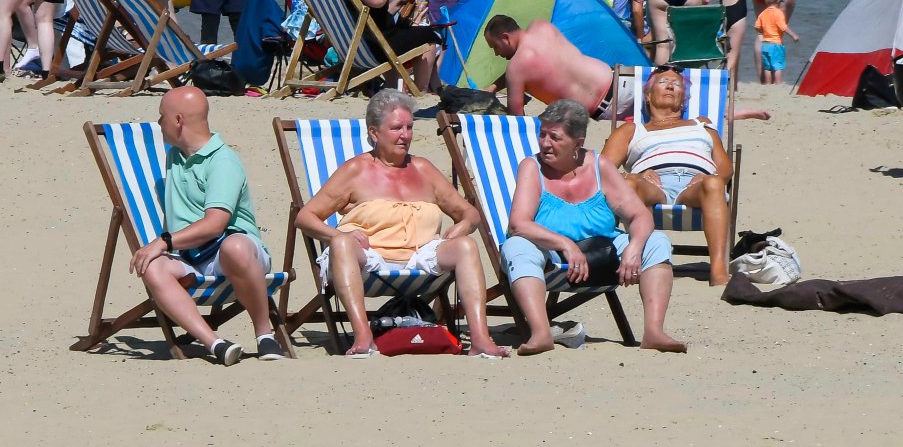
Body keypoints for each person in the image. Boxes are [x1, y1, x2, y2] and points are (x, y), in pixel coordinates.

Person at [295, 90, 510, 358]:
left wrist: (462, 227)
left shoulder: (423, 169)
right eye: (396, 128)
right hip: (369, 257)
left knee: (466, 246)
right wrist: (338, 234)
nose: (405, 135)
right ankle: (363, 338)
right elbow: (304, 217)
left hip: (420, 256)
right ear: (374, 133)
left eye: (409, 127)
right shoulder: (355, 171)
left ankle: (480, 340)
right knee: (340, 243)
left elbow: (470, 213)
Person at [504, 99, 686, 354]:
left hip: (602, 252)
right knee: (516, 246)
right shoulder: (532, 168)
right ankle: (541, 333)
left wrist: (634, 248)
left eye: (555, 137)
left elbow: (639, 216)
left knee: (656, 241)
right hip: (551, 254)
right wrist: (565, 244)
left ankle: (654, 332)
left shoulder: (599, 166)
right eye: (542, 134)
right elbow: (518, 224)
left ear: (578, 143)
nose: (545, 143)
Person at [129, 87, 285, 365]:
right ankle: (215, 343)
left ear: (178, 121)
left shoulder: (223, 161)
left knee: (234, 245)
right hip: (191, 258)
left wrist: (163, 241)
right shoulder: (174, 156)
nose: (158, 123)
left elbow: (216, 225)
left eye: (161, 116)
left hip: (236, 257)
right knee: (151, 266)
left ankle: (265, 335)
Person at [602, 65, 734, 286]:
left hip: (696, 187)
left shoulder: (703, 126)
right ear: (647, 95)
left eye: (677, 84)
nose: (671, 85)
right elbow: (603, 168)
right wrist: (636, 174)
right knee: (630, 182)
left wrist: (712, 175)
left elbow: (725, 167)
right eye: (663, 82)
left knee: (714, 183)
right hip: (653, 187)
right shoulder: (631, 130)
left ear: (683, 99)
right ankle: (638, 257)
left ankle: (719, 270)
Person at [483, 15, 634, 120]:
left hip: (608, 109)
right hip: (622, 79)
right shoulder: (541, 26)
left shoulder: (516, 69)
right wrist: (494, 86)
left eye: (495, 47)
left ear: (505, 38)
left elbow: (517, 119)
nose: (496, 53)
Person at [755, 0, 799, 84]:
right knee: (778, 67)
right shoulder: (778, 13)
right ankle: (778, 85)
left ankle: (768, 84)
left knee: (767, 67)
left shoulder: (763, 13)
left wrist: (764, 32)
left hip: (765, 45)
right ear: (778, 1)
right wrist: (793, 35)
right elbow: (783, 27)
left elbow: (757, 27)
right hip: (776, 44)